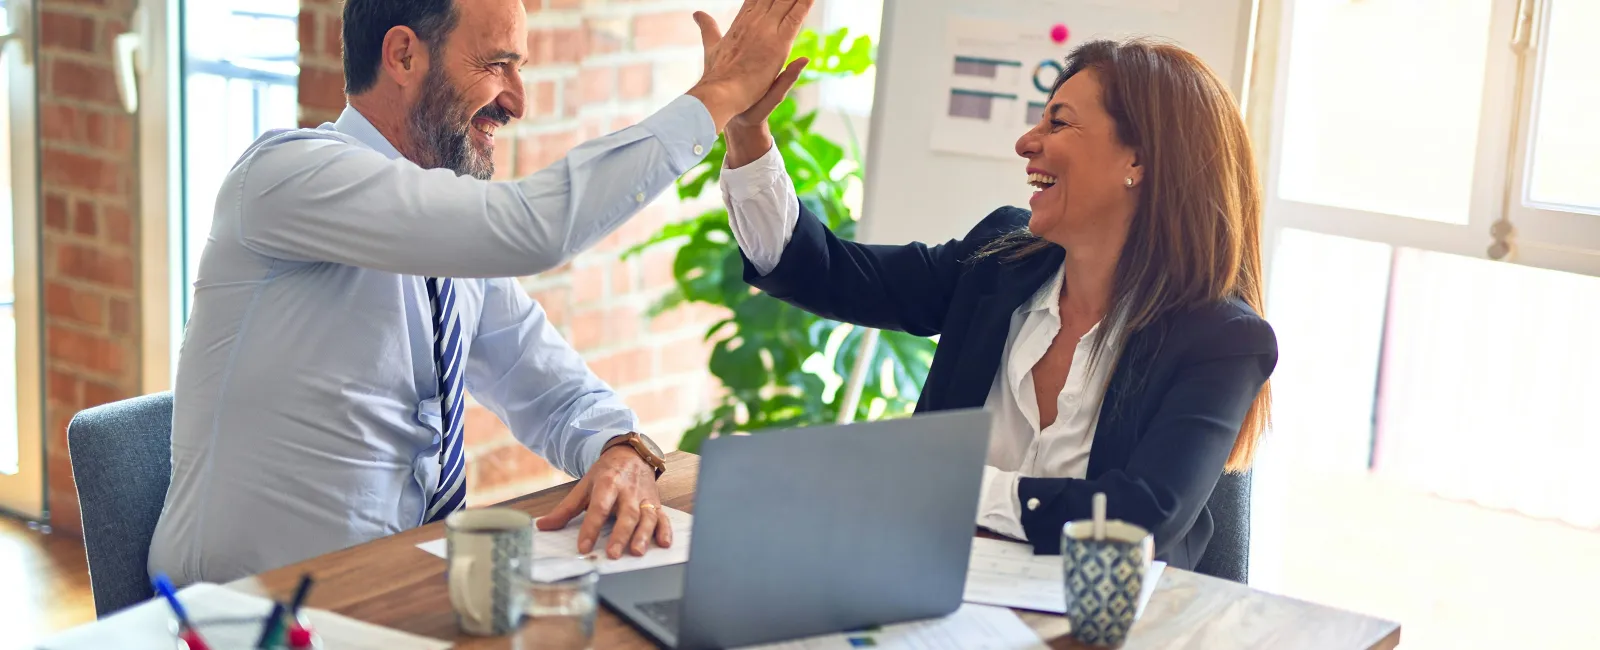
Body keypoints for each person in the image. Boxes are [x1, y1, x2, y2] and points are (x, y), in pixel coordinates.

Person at [149, 0, 815, 585]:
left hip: (394, 598)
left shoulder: (450, 242)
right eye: (497, 65)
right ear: (404, 54)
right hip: (244, 618)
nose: (518, 101)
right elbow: (534, 229)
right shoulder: (285, 176)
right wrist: (719, 94)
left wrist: (620, 449)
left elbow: (552, 390)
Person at [719, 38, 1277, 570]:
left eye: (1058, 122)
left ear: (1139, 161)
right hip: (934, 592)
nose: (1026, 142)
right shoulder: (998, 261)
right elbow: (826, 271)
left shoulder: (1222, 340)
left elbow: (1138, 520)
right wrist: (747, 132)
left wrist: (950, 484)